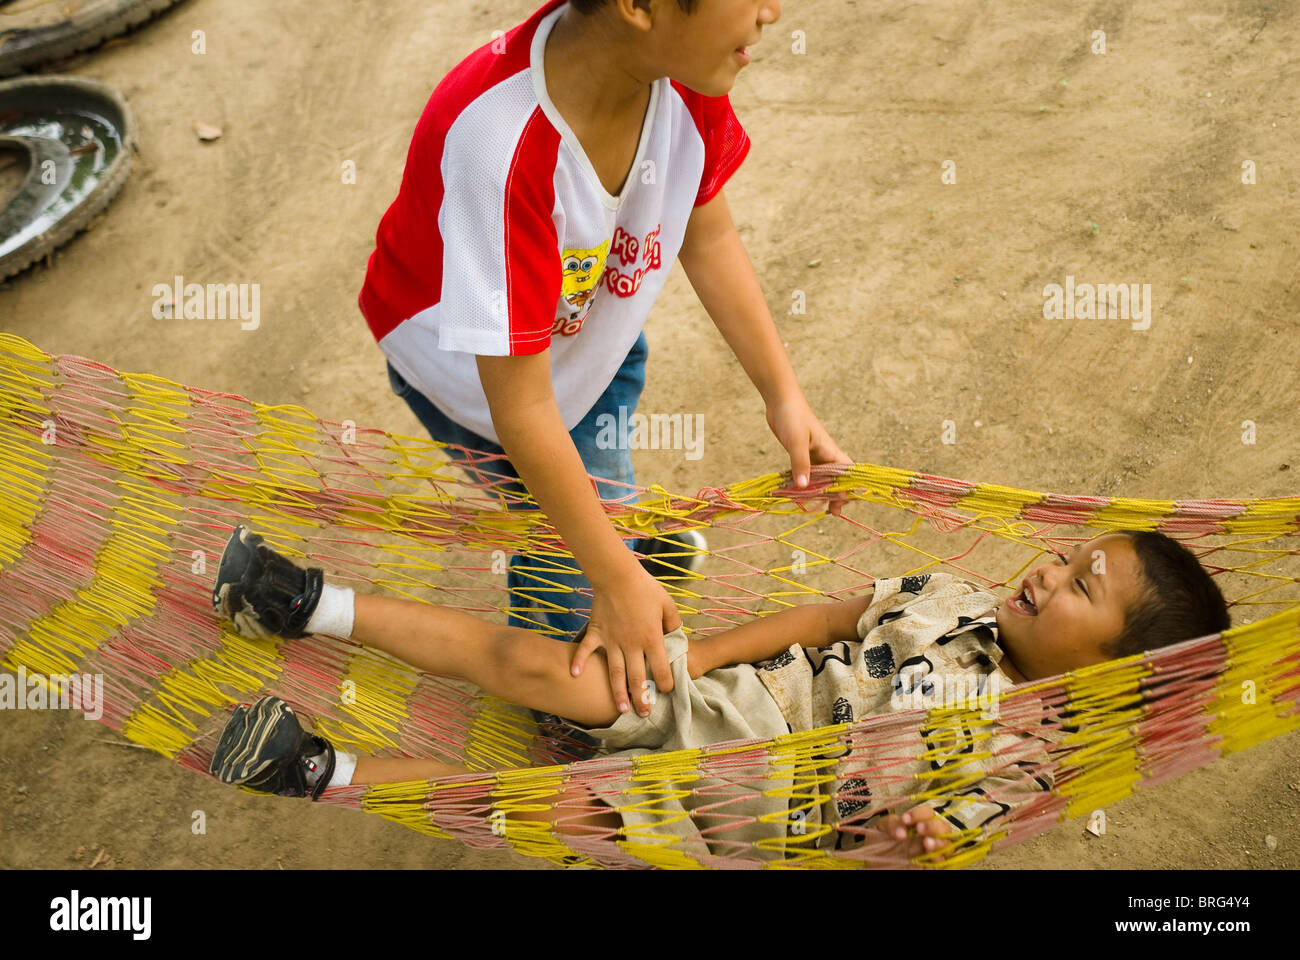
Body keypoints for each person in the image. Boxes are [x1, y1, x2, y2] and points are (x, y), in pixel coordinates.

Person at [357, 0, 849, 721]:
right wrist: (613, 579)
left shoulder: (684, 77)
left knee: (602, 479)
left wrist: (784, 396)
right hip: (479, 380)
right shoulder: (500, 144)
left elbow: (706, 235)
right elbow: (521, 408)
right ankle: (567, 696)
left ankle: (622, 542)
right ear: (639, 7)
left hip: (587, 330)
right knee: (566, 548)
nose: (772, 12)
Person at [209, 524, 1230, 861]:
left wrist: (929, 831)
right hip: (726, 705)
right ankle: (306, 602)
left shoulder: (1030, 747)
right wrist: (689, 655)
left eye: (1080, 588)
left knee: (534, 808)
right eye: (1063, 556)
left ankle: (317, 769)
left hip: (749, 808)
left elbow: (954, 826)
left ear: (1116, 671)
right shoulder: (949, 595)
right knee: (540, 667)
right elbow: (826, 620)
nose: (1048, 574)